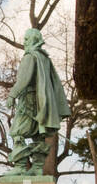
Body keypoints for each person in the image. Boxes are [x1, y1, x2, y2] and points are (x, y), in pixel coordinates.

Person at [5, 27, 71, 176]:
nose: (24, 42)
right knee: (38, 135)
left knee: (17, 132)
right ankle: (37, 167)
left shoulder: (30, 56)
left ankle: (20, 166)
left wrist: (12, 94)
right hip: (42, 103)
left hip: (29, 101)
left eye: (27, 39)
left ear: (33, 40)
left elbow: (24, 79)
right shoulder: (44, 58)